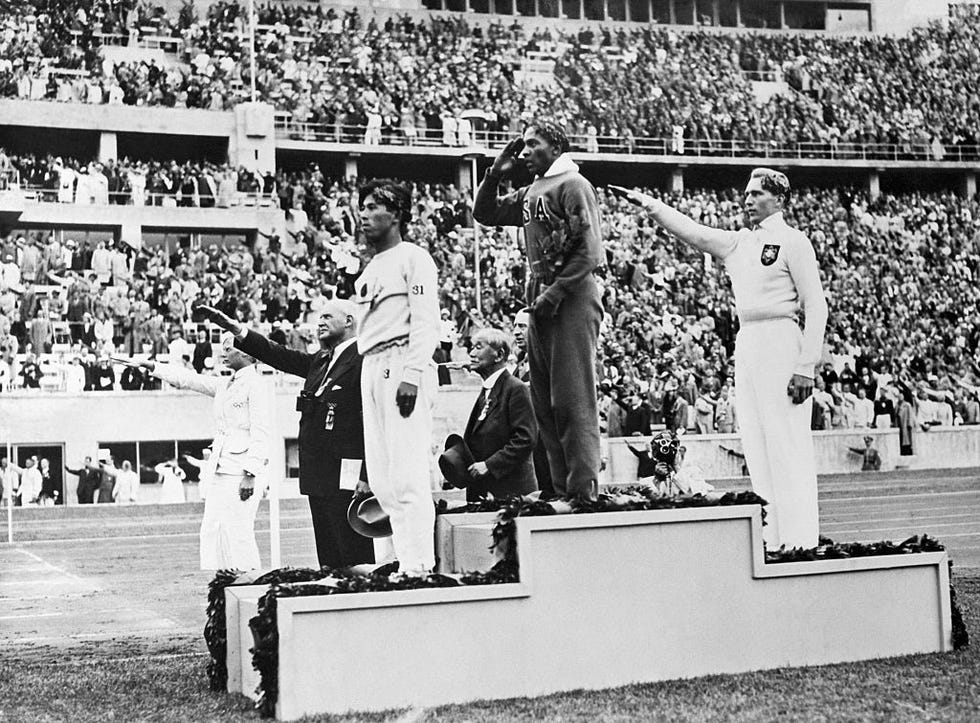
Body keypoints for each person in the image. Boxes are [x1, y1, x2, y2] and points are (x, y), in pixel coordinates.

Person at [614, 168, 828, 550]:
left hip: (782, 337)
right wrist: (649, 204)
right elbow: (692, 231)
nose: (747, 200)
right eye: (746, 194)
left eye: (757, 194)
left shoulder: (794, 242)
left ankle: (801, 540)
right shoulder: (738, 243)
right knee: (757, 444)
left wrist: (806, 365)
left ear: (779, 199)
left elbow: (816, 305)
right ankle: (772, 537)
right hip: (748, 341)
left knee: (786, 443)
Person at [474, 121, 604, 502]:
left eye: (534, 144)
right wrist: (494, 174)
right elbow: (487, 213)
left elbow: (590, 251)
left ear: (556, 146)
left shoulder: (572, 185)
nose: (525, 151)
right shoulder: (534, 189)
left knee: (572, 399)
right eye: (524, 145)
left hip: (571, 296)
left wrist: (554, 293)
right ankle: (557, 488)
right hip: (542, 297)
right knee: (545, 401)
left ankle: (582, 492)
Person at [197, 299, 375, 570]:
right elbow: (278, 355)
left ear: (349, 321)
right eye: (319, 318)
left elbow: (371, 422)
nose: (320, 323)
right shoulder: (321, 360)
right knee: (329, 561)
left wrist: (367, 476)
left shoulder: (364, 360)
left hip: (349, 477)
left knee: (355, 557)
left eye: (327, 317)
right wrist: (238, 331)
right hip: (320, 476)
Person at [353, 179, 441, 575]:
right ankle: (397, 561)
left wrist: (412, 373)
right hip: (371, 364)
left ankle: (419, 563)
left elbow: (426, 321)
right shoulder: (370, 266)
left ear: (398, 214)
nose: (365, 214)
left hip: (400, 361)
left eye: (374, 207)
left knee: (407, 473)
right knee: (384, 479)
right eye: (363, 207)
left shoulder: (414, 257)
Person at [140, 332, 272, 570]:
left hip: (242, 470)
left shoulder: (257, 385)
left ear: (246, 353)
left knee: (239, 531)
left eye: (228, 348)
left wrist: (250, 474)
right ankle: (222, 584)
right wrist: (154, 367)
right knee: (213, 529)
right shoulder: (226, 383)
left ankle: (251, 585)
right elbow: (189, 379)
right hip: (220, 468)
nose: (223, 353)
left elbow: (262, 432)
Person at [456, 327, 538, 502]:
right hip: (486, 492)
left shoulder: (516, 389)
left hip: (511, 494)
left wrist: (489, 465)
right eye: (471, 347)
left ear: (499, 355)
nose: (471, 353)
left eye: (479, 347)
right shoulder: (487, 391)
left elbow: (525, 439)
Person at [511, 307, 554, 498]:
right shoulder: (520, 365)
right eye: (514, 327)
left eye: (522, 326)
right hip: (528, 442)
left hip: (548, 441)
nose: (515, 332)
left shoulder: (549, 359)